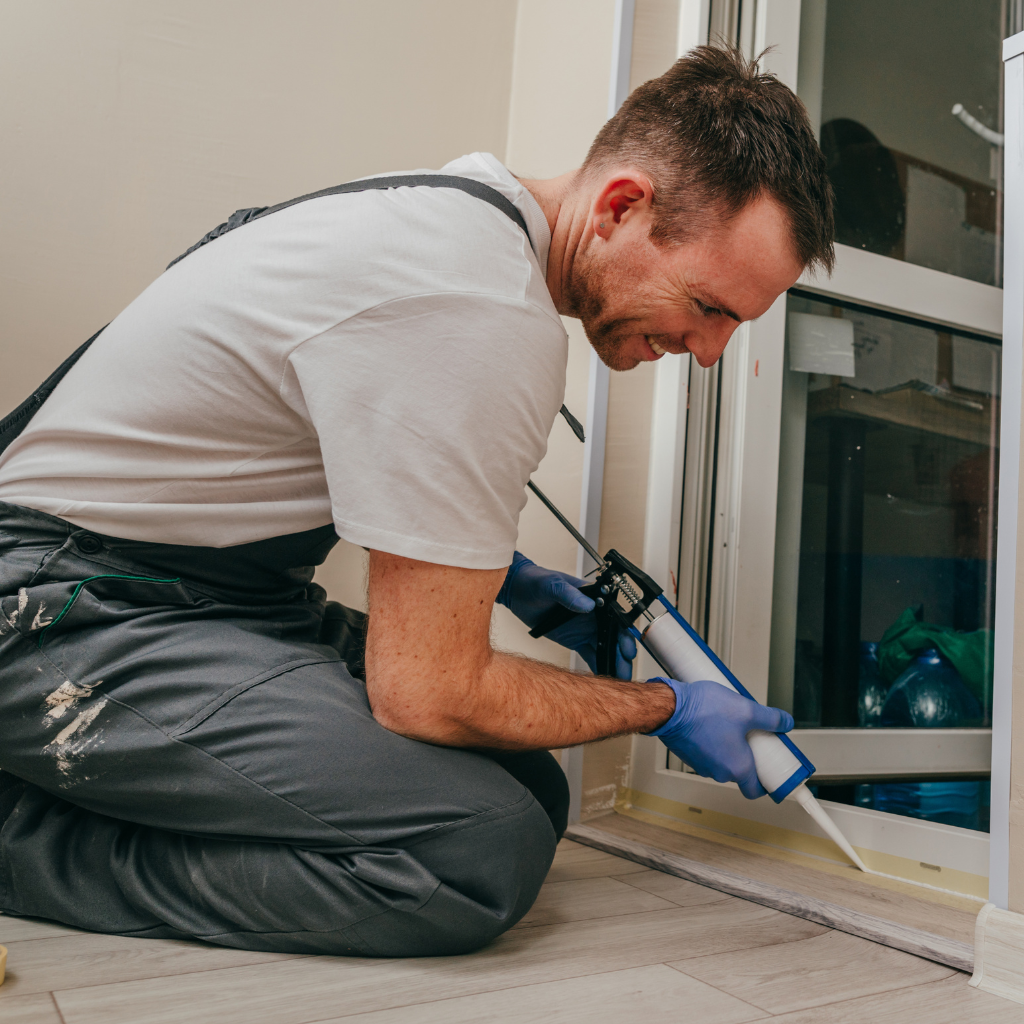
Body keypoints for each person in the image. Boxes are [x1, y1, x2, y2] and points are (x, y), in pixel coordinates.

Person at [0, 47, 833, 956]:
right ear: (622, 206)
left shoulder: (454, 215)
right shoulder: (476, 304)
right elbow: (430, 694)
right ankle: (23, 836)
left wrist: (502, 575)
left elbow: (331, 443)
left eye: (733, 326)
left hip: (201, 594)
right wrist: (665, 707)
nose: (710, 351)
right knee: (474, 848)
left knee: (529, 787)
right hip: (63, 605)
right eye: (708, 306)